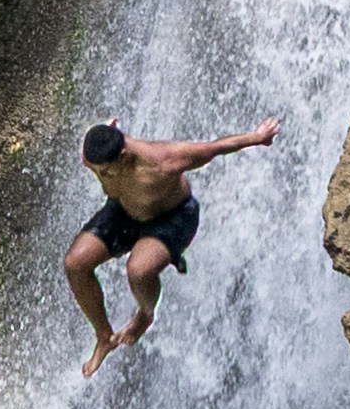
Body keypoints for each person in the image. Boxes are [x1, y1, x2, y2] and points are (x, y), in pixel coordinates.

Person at [66, 114, 278, 375]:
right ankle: (103, 337)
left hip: (173, 217)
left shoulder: (163, 160)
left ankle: (144, 316)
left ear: (124, 156)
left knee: (139, 270)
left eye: (107, 171)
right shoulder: (94, 155)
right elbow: (104, 143)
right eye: (97, 171)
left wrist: (257, 137)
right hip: (125, 211)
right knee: (75, 263)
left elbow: (213, 148)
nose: (102, 175)